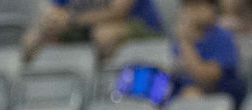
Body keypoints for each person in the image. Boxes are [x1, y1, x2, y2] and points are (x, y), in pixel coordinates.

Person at [23, 0, 165, 63]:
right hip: (84, 28)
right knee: (32, 38)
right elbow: (55, 10)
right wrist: (50, 21)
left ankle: (105, 94)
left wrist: (71, 19)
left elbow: (118, 11)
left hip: (137, 25)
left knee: (103, 34)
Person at [170, 0, 246, 110]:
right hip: (182, 95)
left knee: (192, 95)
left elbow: (207, 77)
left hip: (220, 97)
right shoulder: (177, 43)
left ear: (212, 8)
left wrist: (186, 43)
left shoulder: (222, 37)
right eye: (189, 7)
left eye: (198, 6)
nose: (192, 12)